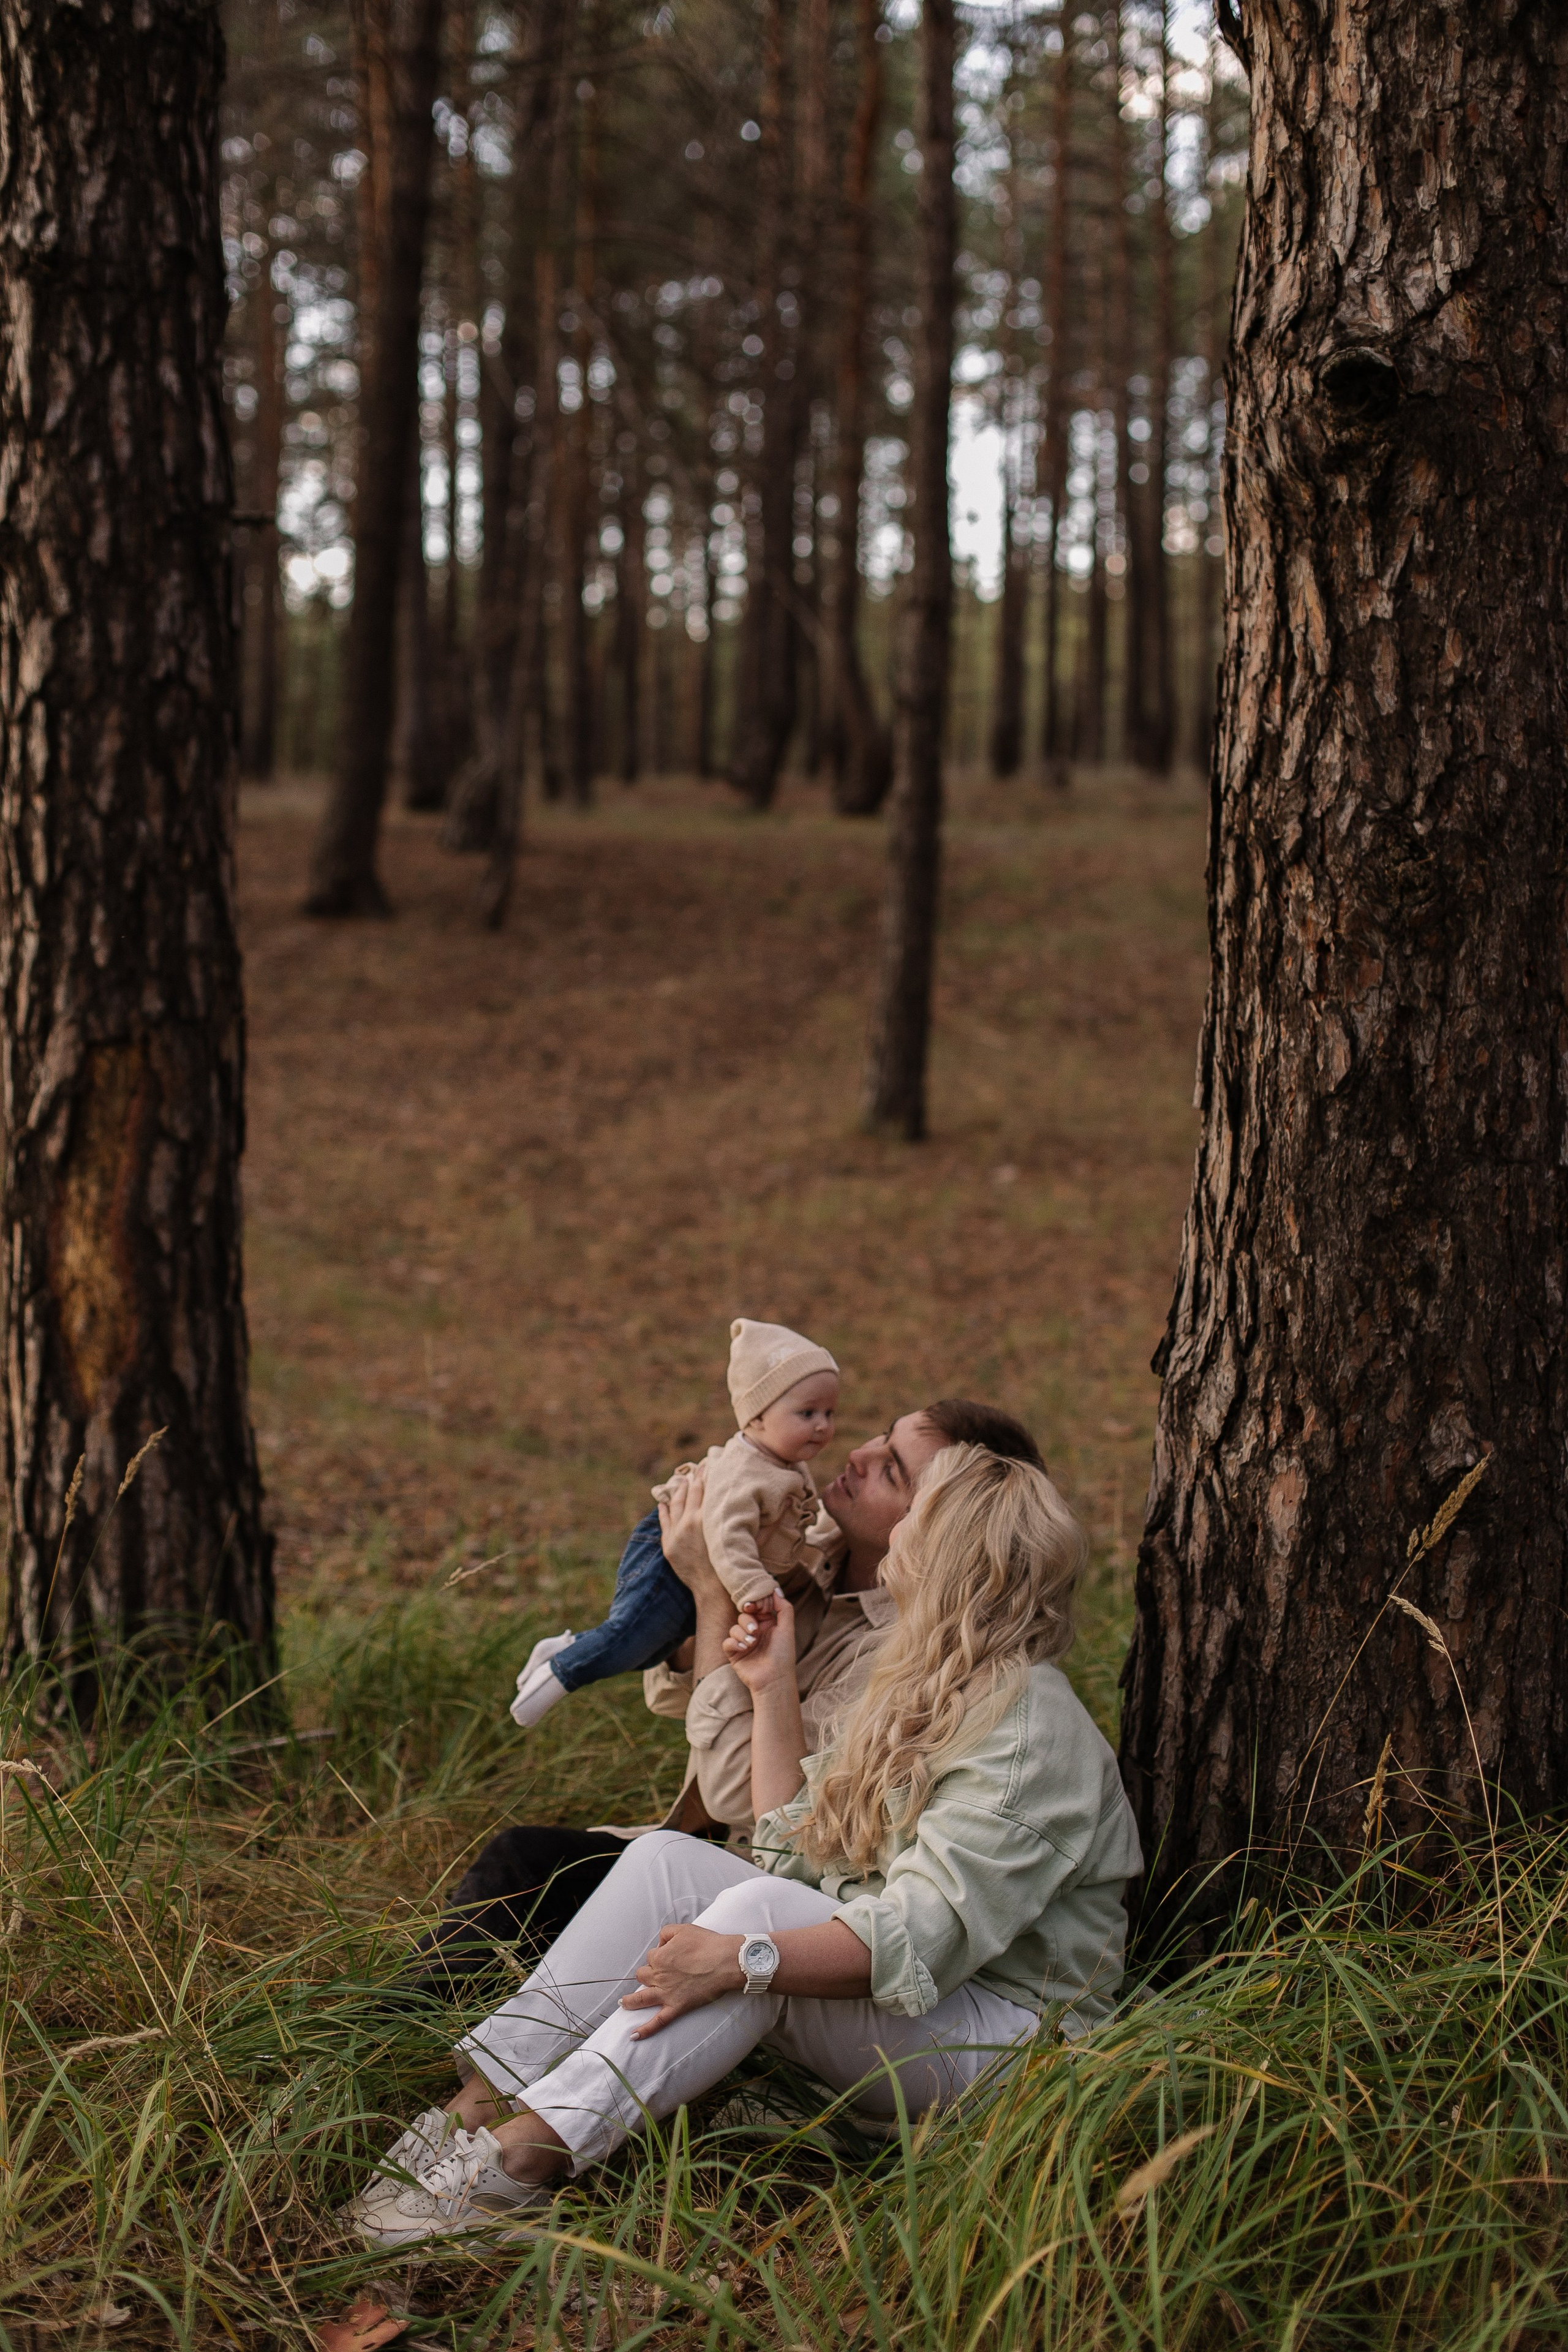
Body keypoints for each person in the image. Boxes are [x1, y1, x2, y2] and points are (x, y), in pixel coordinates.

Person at [350, 1444, 1142, 2244]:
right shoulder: (925, 1680)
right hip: (921, 2006)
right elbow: (793, 1851)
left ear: (952, 1555)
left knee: (751, 1921)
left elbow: (916, 1942)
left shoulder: (1029, 1730)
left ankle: (518, 2166)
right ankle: (468, 2117)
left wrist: (738, 1961)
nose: (896, 1530)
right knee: (669, 1861)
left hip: (1014, 2051)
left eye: (921, 1514)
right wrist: (769, 1684)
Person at [400, 1400, 1045, 1997]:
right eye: (881, 1437)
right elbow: (674, 1698)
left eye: (891, 1472)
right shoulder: (806, 1546)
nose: (857, 1454)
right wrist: (691, 1584)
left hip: (770, 1887)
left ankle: (403, 2041)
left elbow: (750, 1804)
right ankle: (428, 2037)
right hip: (700, 1843)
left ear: (937, 1525)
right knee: (531, 1879)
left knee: (529, 1867)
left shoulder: (903, 1653)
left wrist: (713, 1597)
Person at [509, 1319, 842, 1730]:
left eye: (829, 1413)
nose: (822, 1425)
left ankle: (565, 1648)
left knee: (654, 1650)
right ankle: (560, 1673)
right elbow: (725, 1537)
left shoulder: (785, 1462)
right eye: (807, 1413)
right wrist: (754, 1587)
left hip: (703, 1563)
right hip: (672, 1555)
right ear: (756, 1417)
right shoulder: (746, 1472)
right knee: (632, 1636)